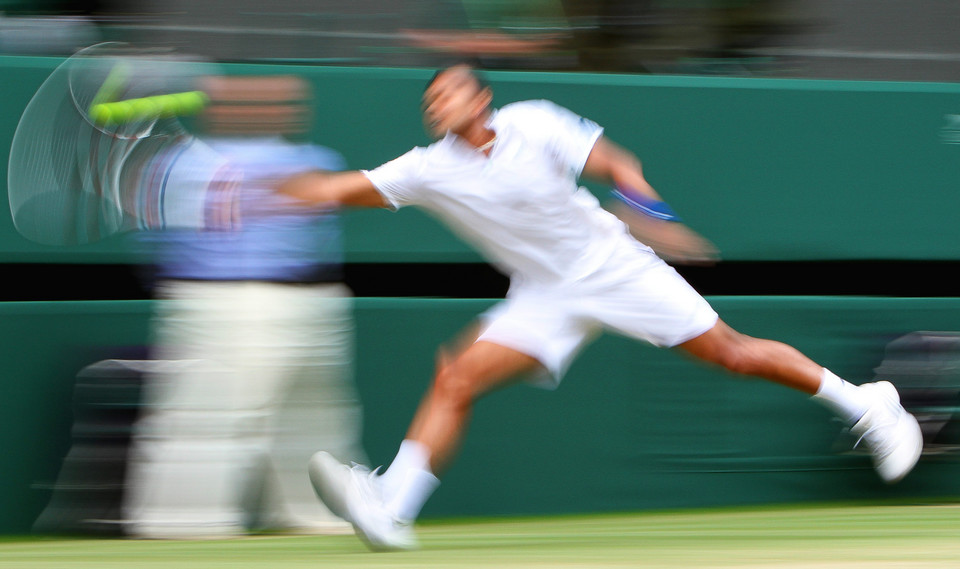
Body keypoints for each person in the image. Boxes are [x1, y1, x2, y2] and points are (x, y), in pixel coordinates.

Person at [278, 64, 923, 551]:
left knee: (733, 353)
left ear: (480, 99)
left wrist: (653, 217)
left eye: (447, 92)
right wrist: (268, 188)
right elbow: (336, 187)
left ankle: (868, 402)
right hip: (543, 296)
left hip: (615, 268)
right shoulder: (424, 170)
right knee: (457, 375)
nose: (435, 104)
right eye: (429, 100)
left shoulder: (535, 123)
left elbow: (619, 165)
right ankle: (392, 505)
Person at [124, 75, 366, 538]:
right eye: (255, 101)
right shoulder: (183, 164)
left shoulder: (314, 160)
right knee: (211, 415)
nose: (275, 110)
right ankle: (182, 521)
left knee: (315, 415)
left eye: (282, 102)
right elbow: (158, 237)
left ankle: (313, 510)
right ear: (223, 110)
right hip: (225, 300)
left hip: (310, 300)